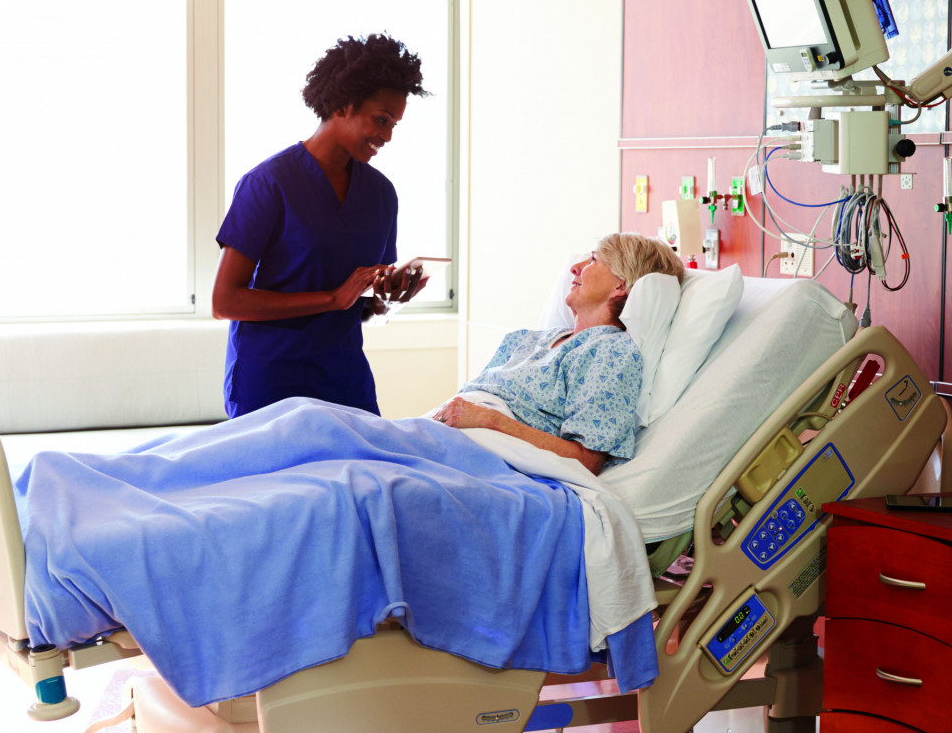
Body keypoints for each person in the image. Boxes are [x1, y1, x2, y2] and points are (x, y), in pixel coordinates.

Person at [213, 33, 431, 418]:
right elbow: (224, 301)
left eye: (394, 123)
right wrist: (333, 297)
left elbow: (363, 305)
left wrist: (388, 297)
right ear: (344, 105)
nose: (388, 135)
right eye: (381, 120)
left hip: (345, 383)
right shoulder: (268, 184)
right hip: (270, 386)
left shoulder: (381, 194)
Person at [434, 233, 685, 475]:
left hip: (488, 462)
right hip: (444, 436)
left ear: (621, 284)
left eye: (594, 260)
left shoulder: (609, 352)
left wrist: (490, 419)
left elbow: (586, 461)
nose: (575, 268)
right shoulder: (526, 338)